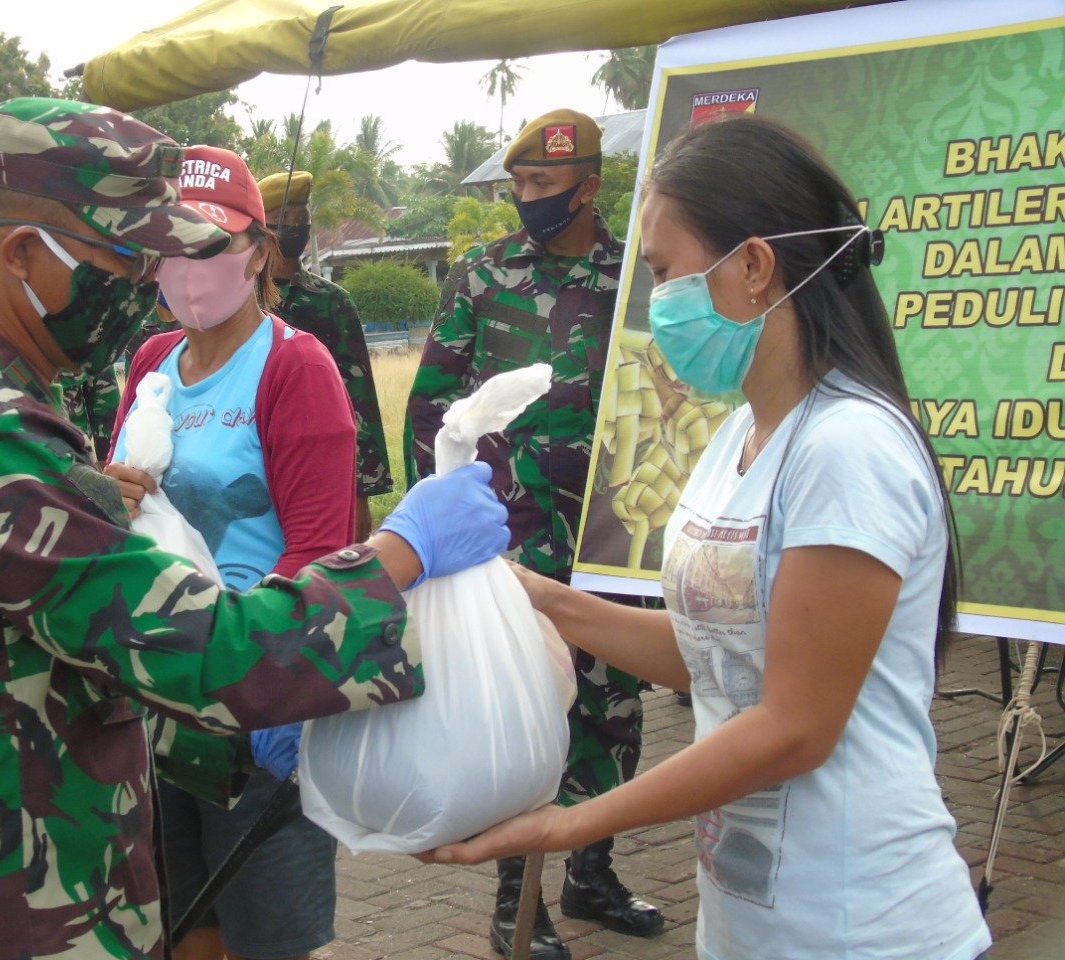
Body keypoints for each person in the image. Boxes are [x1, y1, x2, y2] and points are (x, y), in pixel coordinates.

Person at [0, 97, 507, 960]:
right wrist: (403, 550)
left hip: (4, 875)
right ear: (21, 256)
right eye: (125, 258)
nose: (141, 286)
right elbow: (200, 648)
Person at [422, 116, 993, 960]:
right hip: (749, 927)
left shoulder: (848, 449)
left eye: (664, 272)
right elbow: (715, 654)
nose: (656, 304)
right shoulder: (740, 435)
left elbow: (794, 725)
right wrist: (541, 600)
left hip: (864, 927)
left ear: (754, 266)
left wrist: (569, 823)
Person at [405, 109, 661, 959]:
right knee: (527, 720)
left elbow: (666, 402)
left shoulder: (635, 278)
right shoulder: (482, 275)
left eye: (542, 186)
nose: (526, 199)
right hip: (512, 545)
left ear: (588, 187)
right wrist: (436, 534)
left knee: (613, 715)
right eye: (518, 185)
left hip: (611, 539)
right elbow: (430, 408)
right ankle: (520, 903)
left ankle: (594, 872)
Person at [108, 145, 356, 960]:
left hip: (252, 702)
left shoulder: (294, 367)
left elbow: (321, 549)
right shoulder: (152, 362)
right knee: (182, 920)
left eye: (210, 246)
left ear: (258, 253)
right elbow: (127, 507)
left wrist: (269, 692)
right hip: (160, 686)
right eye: (173, 246)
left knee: (269, 933)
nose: (190, 270)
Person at [257, 170, 393, 540]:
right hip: (251, 464)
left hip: (319, 465)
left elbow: (359, 400)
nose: (295, 229)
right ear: (261, 228)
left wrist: (362, 492)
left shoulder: (331, 302)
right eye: (284, 221)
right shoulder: (237, 299)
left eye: (302, 221)